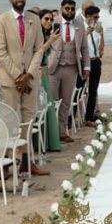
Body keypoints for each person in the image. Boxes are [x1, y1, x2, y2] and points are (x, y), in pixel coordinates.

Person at [0, 0, 47, 174]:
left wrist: (29, 74)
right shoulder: (1, 20)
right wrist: (18, 75)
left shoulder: (34, 19)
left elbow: (38, 49)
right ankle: (7, 163)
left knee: (28, 120)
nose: (19, 0)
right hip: (11, 81)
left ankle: (27, 161)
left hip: (30, 79)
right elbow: (0, 51)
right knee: (9, 120)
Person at [49, 0, 91, 138]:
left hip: (72, 68)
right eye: (67, 8)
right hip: (53, 68)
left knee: (66, 101)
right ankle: (51, 134)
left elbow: (84, 48)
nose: (70, 11)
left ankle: (62, 131)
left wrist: (86, 67)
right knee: (52, 102)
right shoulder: (53, 21)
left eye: (73, 9)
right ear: (61, 8)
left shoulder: (79, 24)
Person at [36, 9, 61, 152]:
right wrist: (50, 41)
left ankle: (48, 142)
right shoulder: (37, 35)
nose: (49, 22)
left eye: (51, 19)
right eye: (46, 19)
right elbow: (38, 53)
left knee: (48, 106)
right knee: (41, 106)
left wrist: (52, 39)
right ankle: (40, 143)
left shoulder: (46, 34)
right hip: (38, 71)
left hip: (44, 71)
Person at [84, 5, 105, 125]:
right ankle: (71, 117)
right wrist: (86, 33)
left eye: (98, 17)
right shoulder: (82, 28)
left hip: (96, 61)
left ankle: (89, 117)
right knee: (81, 89)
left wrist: (101, 34)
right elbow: (78, 43)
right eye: (94, 17)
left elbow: (100, 45)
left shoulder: (97, 28)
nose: (97, 19)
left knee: (93, 90)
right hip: (86, 61)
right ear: (88, 16)